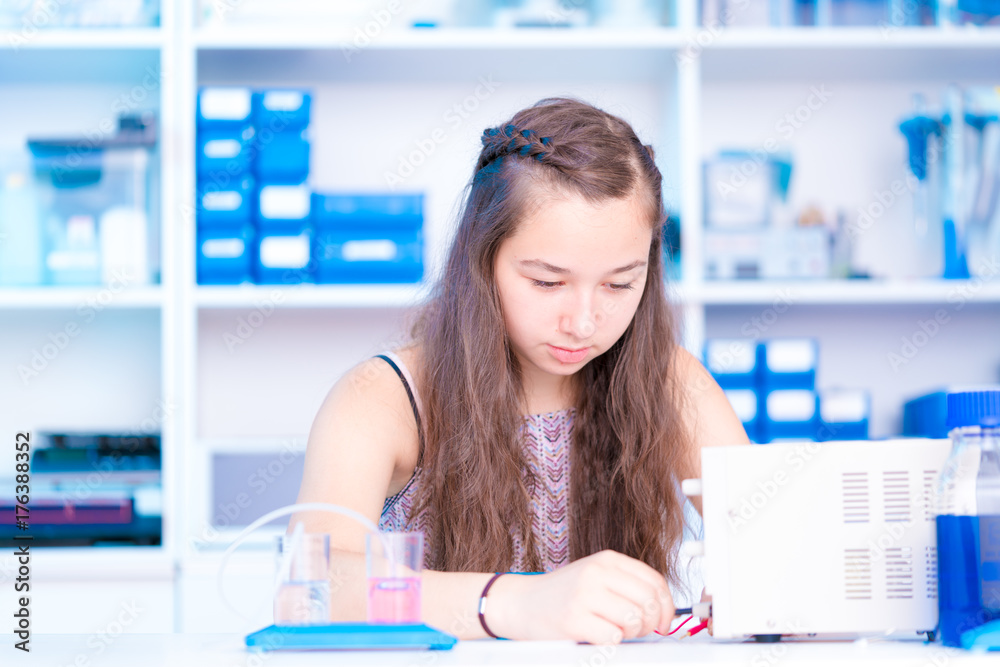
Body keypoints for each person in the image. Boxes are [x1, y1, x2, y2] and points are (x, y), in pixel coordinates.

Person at [291, 97, 750, 644]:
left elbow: (768, 535)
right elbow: (311, 582)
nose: (584, 322)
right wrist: (518, 602)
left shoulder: (670, 380)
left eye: (620, 283)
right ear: (482, 260)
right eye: (547, 282)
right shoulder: (386, 397)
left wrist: (763, 585)